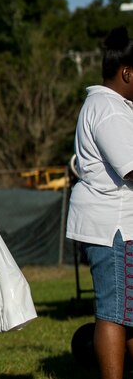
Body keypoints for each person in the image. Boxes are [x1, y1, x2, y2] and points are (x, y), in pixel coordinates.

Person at [66, 26, 133, 379]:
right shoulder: (109, 110)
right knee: (115, 311)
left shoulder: (112, 106)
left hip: (117, 225)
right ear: (127, 73)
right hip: (114, 228)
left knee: (127, 312)